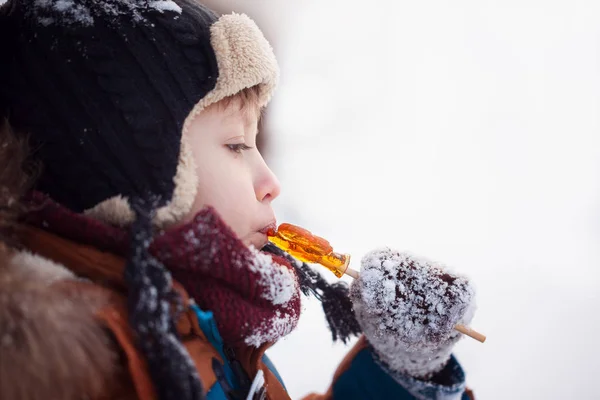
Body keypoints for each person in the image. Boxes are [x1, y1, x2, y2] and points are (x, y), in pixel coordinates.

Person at [0, 0, 476, 398]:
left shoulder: (199, 326)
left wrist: (404, 373)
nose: (270, 181)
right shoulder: (64, 362)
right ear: (131, 170)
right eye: (235, 145)